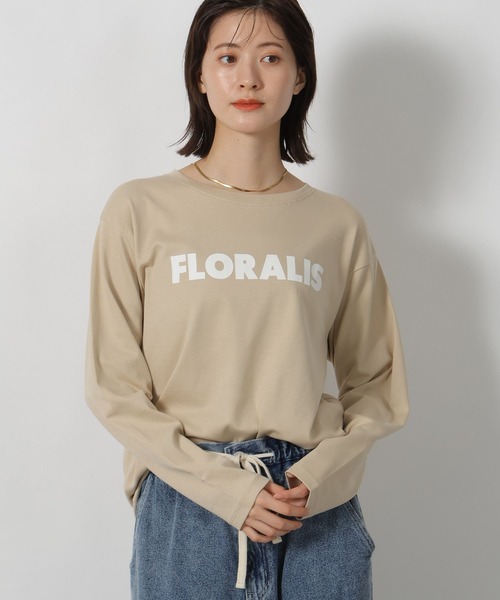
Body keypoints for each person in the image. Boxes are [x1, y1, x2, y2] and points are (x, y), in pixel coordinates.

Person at [85, 0, 409, 598]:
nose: (249, 78)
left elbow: (377, 384)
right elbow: (114, 387)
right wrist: (229, 489)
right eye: (228, 57)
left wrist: (317, 478)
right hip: (189, 503)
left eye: (271, 58)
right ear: (200, 75)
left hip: (311, 509)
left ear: (300, 76)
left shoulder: (335, 224)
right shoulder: (139, 209)